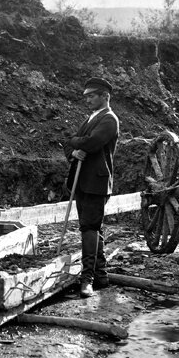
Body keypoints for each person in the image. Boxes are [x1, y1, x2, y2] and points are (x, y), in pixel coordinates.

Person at [64, 77, 120, 298]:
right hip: (81, 180)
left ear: (104, 96)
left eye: (91, 96)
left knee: (89, 228)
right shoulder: (90, 118)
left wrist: (76, 142)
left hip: (96, 182)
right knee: (93, 227)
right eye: (86, 96)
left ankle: (87, 280)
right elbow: (71, 145)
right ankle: (101, 275)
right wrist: (73, 152)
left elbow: (92, 143)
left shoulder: (110, 120)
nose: (87, 99)